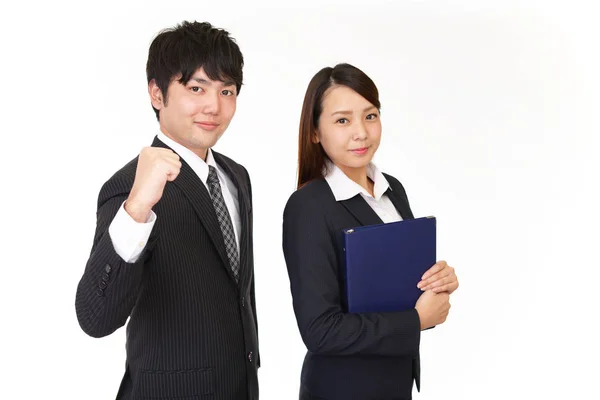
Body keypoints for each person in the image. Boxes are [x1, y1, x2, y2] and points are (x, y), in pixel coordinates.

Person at [75, 21, 259, 400]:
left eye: (227, 90)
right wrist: (137, 208)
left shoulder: (235, 176)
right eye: (196, 88)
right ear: (157, 94)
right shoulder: (129, 187)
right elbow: (95, 317)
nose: (215, 105)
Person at [282, 63, 459, 400]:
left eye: (371, 116)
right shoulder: (309, 206)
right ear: (315, 131)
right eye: (342, 120)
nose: (361, 132)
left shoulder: (394, 191)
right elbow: (319, 331)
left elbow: (398, 294)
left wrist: (436, 284)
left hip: (393, 384)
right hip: (342, 389)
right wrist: (415, 320)